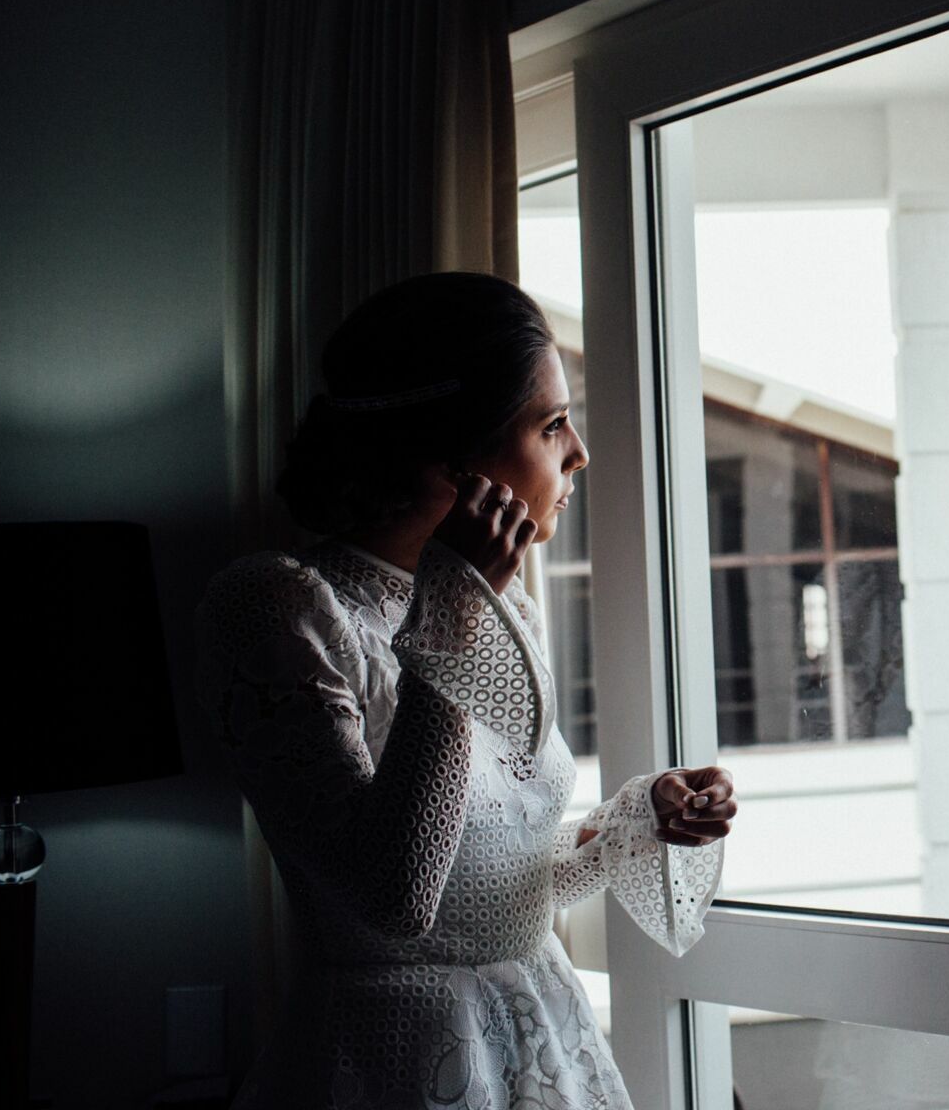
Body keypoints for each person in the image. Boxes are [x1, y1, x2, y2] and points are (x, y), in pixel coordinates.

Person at [195, 273, 737, 1108]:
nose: (579, 453)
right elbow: (396, 898)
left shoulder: (504, 602)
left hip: (546, 1043)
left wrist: (638, 819)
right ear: (451, 453)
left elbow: (494, 898)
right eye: (552, 424)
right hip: (395, 1061)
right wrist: (453, 612)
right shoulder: (280, 606)